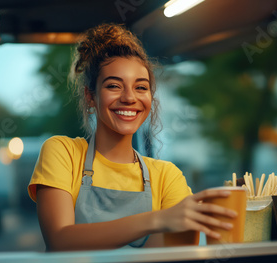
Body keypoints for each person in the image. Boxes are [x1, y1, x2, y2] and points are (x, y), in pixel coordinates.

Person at [28, 23, 237, 251]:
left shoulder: (167, 177)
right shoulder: (63, 153)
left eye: (141, 87)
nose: (129, 98)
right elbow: (60, 241)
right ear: (90, 96)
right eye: (114, 86)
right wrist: (157, 220)